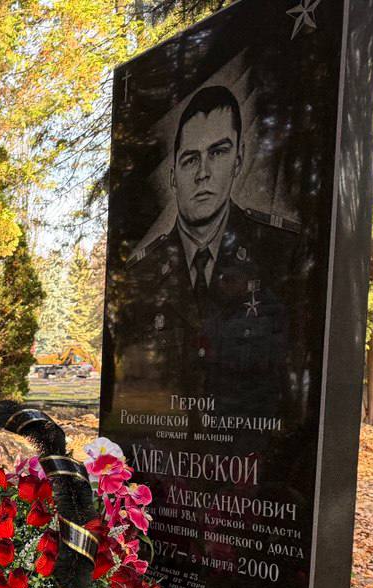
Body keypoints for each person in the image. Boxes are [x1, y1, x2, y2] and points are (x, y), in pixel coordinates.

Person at [108, 85, 300, 410]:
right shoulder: (143, 268)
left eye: (218, 152)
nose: (203, 173)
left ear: (237, 161)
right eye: (190, 159)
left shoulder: (277, 249)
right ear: (173, 177)